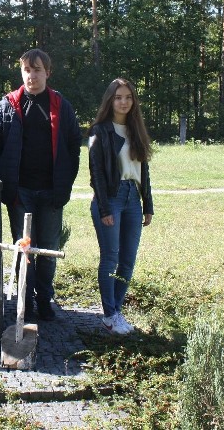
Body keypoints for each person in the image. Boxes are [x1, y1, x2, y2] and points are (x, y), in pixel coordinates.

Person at [0, 49, 81, 321]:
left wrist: (63, 185)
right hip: (20, 193)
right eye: (27, 70)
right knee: (23, 249)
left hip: (51, 192)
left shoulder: (61, 106)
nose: (32, 75)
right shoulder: (8, 104)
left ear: (48, 73)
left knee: (48, 250)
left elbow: (74, 146)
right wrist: (7, 177)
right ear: (21, 73)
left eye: (37, 70)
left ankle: (45, 300)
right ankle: (24, 301)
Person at [87, 77, 154, 335]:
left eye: (128, 97)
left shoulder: (137, 129)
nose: (123, 102)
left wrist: (148, 204)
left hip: (132, 200)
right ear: (110, 100)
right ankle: (110, 314)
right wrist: (104, 209)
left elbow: (143, 171)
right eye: (118, 97)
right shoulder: (99, 131)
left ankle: (116, 310)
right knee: (111, 258)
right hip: (111, 199)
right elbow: (97, 174)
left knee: (127, 261)